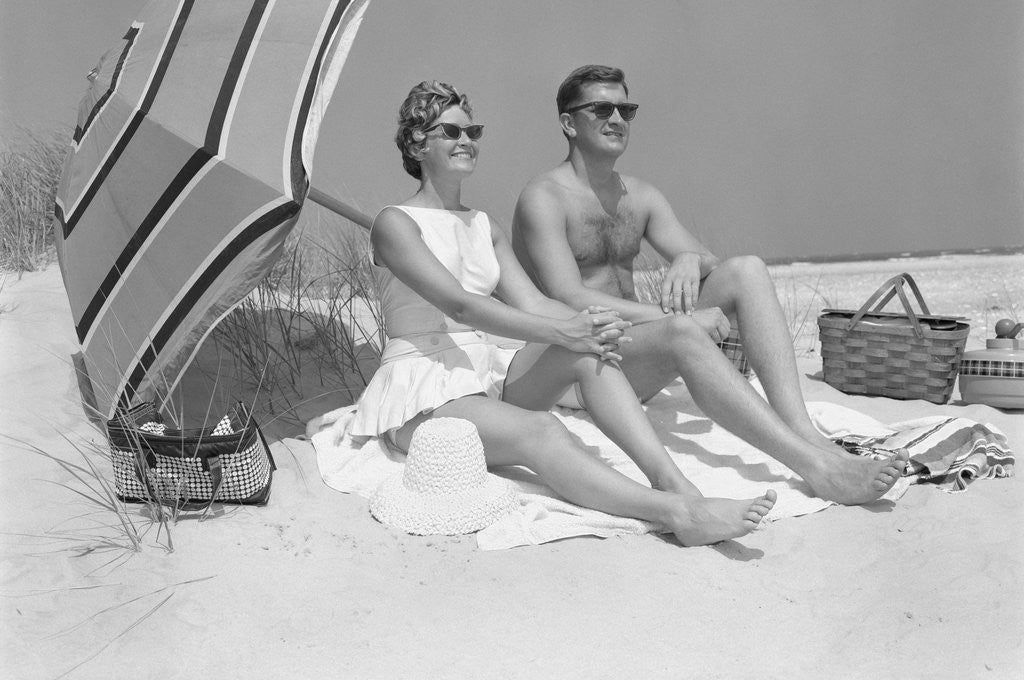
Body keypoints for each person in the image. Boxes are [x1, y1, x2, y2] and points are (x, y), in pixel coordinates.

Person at [352, 80, 779, 546]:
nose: (467, 142)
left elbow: (534, 303)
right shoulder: (395, 223)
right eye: (451, 133)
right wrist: (563, 329)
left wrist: (593, 328)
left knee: (592, 353)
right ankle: (676, 513)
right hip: (425, 384)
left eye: (472, 132)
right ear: (417, 142)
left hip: (487, 372)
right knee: (543, 429)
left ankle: (676, 484)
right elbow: (462, 305)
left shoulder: (481, 224)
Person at [512, 64, 908, 505]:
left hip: (632, 357)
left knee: (747, 270)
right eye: (602, 108)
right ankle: (816, 468)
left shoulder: (639, 195)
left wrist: (686, 259)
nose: (618, 119)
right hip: (576, 368)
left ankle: (801, 428)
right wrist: (673, 317)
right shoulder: (544, 198)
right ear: (568, 122)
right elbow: (568, 296)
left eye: (627, 109)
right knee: (682, 329)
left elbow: (710, 263)